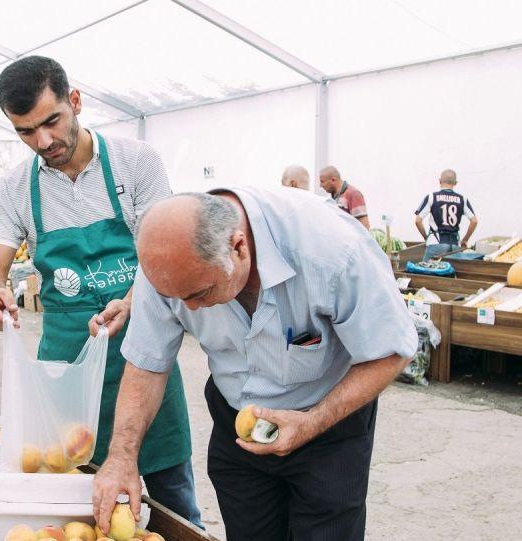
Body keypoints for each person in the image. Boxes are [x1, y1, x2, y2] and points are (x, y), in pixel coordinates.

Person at [92, 188, 417, 540]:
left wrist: (312, 423)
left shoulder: (333, 252)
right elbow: (146, 363)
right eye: (178, 299)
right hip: (237, 426)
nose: (192, 309)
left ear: (239, 247)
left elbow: (391, 350)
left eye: (199, 294)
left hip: (327, 427)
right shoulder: (168, 266)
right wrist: (122, 456)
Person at [0, 56, 200, 526]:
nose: (43, 142)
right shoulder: (15, 189)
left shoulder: (135, 162)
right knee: (73, 510)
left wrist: (134, 299)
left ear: (74, 101)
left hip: (144, 357)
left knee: (173, 506)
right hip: (65, 367)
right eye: (25, 132)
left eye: (51, 122)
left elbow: (166, 256)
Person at [415, 169, 478, 260]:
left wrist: (426, 237)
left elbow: (418, 221)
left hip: (436, 243)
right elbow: (474, 221)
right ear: (455, 183)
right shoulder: (462, 199)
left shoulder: (432, 197)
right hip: (455, 245)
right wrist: (465, 239)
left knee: (427, 271)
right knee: (451, 272)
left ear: (440, 181)